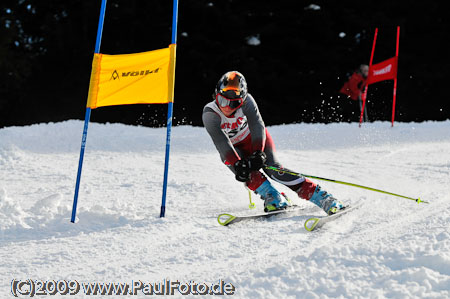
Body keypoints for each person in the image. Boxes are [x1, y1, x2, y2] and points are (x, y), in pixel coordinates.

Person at [202, 71, 344, 214]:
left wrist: (258, 152)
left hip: (255, 139)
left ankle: (323, 198)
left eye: (234, 103)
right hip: (233, 148)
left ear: (242, 100)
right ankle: (273, 197)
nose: (227, 107)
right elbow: (221, 143)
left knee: (273, 170)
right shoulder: (210, 114)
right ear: (216, 95)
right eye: (222, 101)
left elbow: (257, 125)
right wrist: (237, 163)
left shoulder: (247, 102)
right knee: (243, 170)